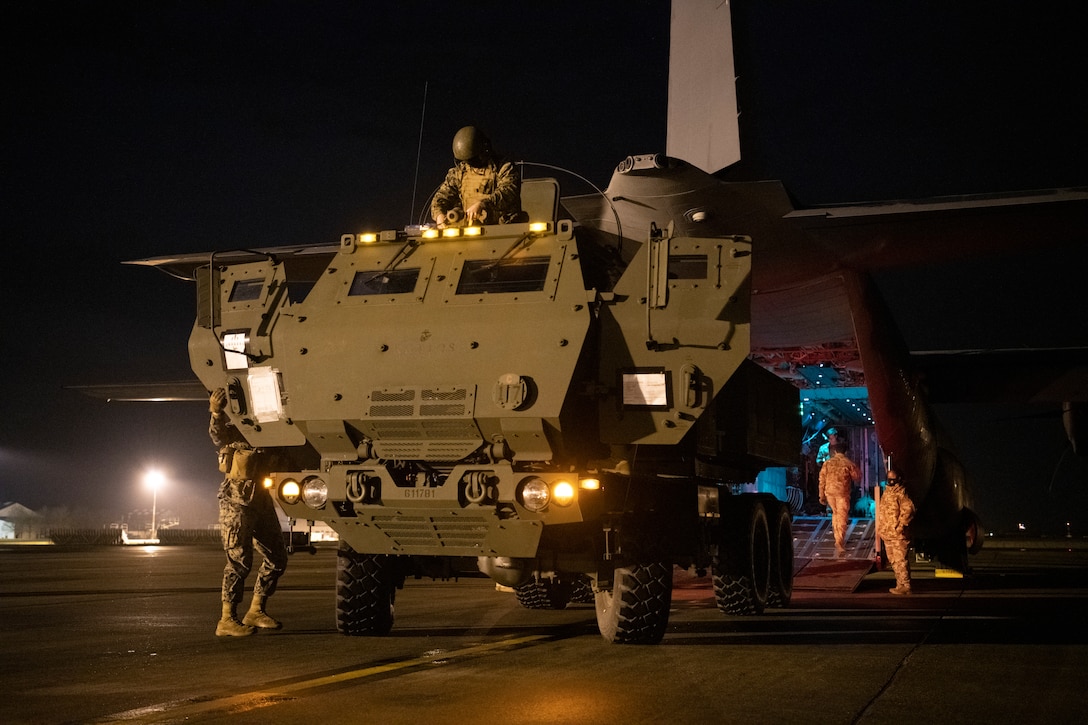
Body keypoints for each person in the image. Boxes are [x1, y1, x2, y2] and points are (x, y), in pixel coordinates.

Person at [209, 388, 289, 637]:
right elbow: (217, 436)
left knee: (277, 558)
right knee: (239, 561)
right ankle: (226, 620)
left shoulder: (273, 432)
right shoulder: (235, 430)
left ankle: (255, 610)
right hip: (236, 503)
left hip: (261, 503)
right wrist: (215, 411)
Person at [431, 126, 523, 227]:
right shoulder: (459, 173)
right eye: (467, 161)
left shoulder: (504, 167)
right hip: (472, 231)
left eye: (473, 159)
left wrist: (483, 204)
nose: (470, 164)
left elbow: (508, 192)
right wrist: (439, 215)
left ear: (484, 150)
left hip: (503, 230)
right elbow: (441, 197)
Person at [877, 470, 916, 595]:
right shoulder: (887, 492)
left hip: (898, 535)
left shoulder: (901, 493)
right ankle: (900, 584)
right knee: (893, 560)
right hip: (887, 534)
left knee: (901, 560)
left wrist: (900, 526)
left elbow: (909, 510)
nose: (891, 481)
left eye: (893, 479)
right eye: (889, 478)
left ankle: (906, 585)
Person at [818, 441, 861, 555]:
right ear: (845, 452)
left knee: (835, 514)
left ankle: (837, 537)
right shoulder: (848, 463)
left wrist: (821, 496)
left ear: (835, 451)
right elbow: (857, 477)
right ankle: (839, 541)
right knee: (842, 516)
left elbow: (821, 480)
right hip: (842, 493)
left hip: (829, 493)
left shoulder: (827, 463)